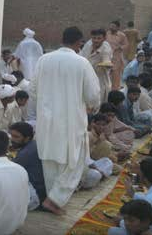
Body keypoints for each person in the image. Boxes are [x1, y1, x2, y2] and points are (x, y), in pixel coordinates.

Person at [32, 26, 101, 214]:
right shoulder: (81, 62)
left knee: (50, 160)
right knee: (76, 159)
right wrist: (92, 105)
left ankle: (53, 199)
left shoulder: (43, 60)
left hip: (47, 120)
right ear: (79, 43)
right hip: (71, 121)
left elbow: (34, 90)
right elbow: (93, 95)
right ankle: (55, 200)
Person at [81, 27, 115, 103]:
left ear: (104, 38)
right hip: (86, 78)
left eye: (99, 38)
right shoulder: (88, 44)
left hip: (99, 79)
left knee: (98, 103)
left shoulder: (106, 48)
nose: (96, 40)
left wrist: (106, 65)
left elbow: (106, 61)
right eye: (94, 38)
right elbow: (81, 57)